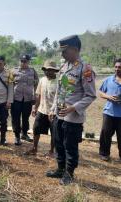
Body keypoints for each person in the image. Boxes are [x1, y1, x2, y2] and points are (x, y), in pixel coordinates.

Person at [46, 35, 96, 185]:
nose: (62, 54)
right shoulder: (64, 66)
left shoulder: (85, 69)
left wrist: (73, 108)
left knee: (70, 146)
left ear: (74, 49)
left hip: (72, 117)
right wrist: (53, 108)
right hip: (59, 115)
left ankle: (69, 173)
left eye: (65, 51)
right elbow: (60, 91)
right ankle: (60, 169)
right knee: (58, 142)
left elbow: (90, 95)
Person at [26, 60, 59, 156]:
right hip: (42, 110)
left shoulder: (59, 82)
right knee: (36, 129)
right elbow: (38, 96)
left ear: (54, 71)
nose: (48, 72)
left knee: (54, 132)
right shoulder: (42, 80)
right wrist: (35, 108)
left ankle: (51, 151)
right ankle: (34, 148)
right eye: (46, 70)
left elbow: (60, 99)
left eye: (50, 70)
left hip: (53, 113)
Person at [11, 55, 39, 145]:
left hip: (28, 99)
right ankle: (17, 136)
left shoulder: (33, 71)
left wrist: (35, 96)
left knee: (25, 117)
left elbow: (36, 84)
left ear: (28, 62)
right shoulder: (13, 71)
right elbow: (9, 85)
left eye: (25, 61)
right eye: (22, 61)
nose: (23, 63)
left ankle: (24, 134)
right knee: (16, 118)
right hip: (16, 98)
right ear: (20, 61)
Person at [99, 58, 121, 161]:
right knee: (105, 134)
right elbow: (100, 92)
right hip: (109, 113)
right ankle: (104, 153)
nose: (117, 69)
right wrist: (109, 97)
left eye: (119, 67)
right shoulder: (108, 80)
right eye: (116, 67)